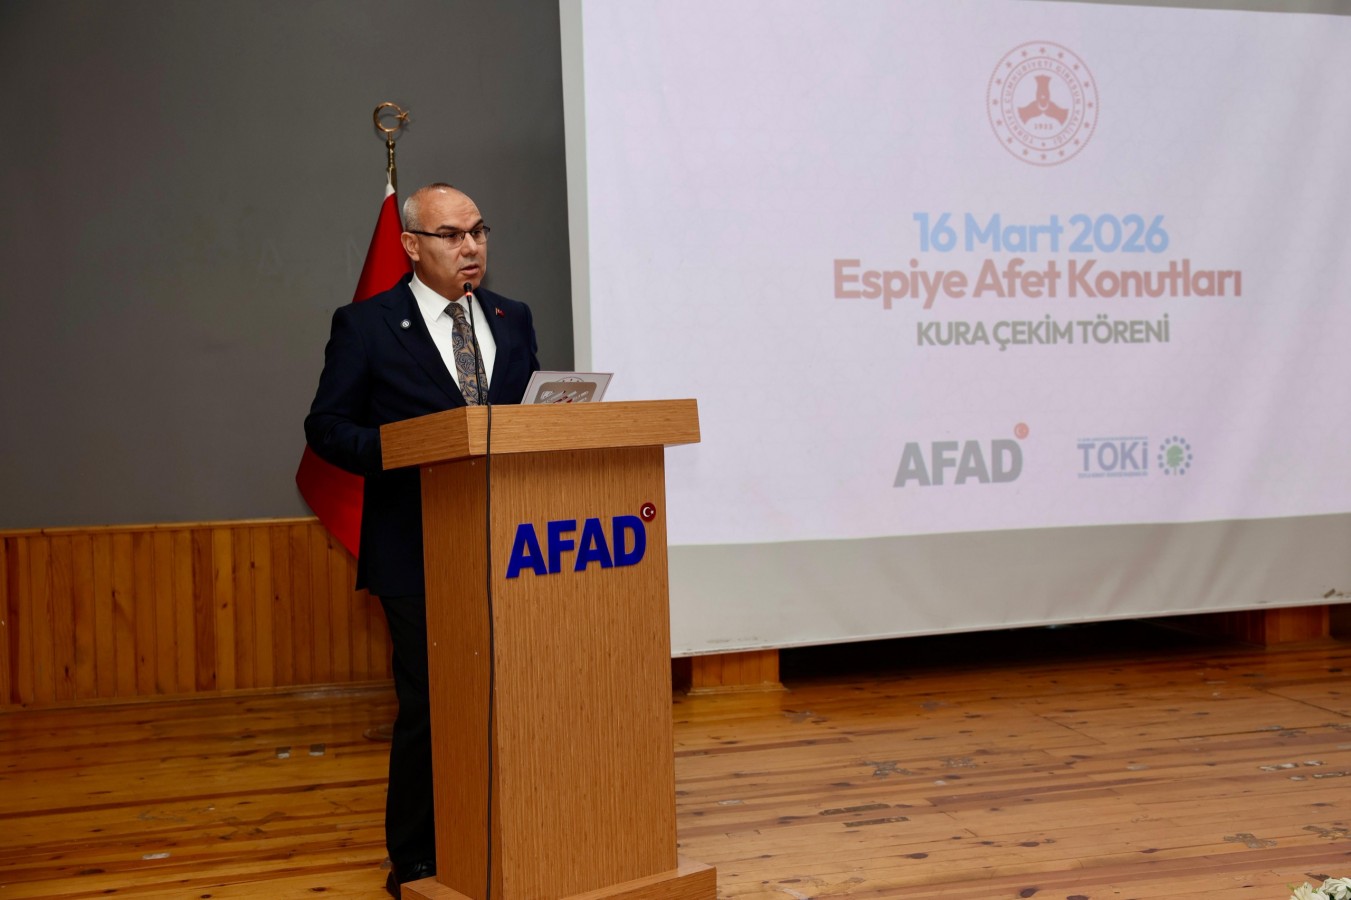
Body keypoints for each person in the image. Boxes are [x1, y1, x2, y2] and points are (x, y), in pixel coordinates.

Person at [304, 183, 540, 897]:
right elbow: (326, 427)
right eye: (451, 235)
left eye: (478, 232)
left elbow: (525, 421)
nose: (470, 247)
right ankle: (416, 857)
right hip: (414, 546)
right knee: (433, 702)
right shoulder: (367, 324)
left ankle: (510, 829)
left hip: (511, 544)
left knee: (513, 693)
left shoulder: (513, 316)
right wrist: (403, 449)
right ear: (410, 245)